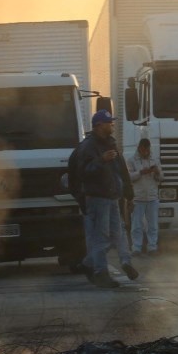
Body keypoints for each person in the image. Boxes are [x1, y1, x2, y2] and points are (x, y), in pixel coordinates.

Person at [76, 110, 138, 288]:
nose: (112, 124)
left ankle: (89, 264)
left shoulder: (111, 143)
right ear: (99, 125)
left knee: (116, 234)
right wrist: (100, 160)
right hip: (98, 198)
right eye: (109, 122)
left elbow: (121, 170)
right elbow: (83, 173)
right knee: (101, 237)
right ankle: (100, 273)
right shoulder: (88, 147)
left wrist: (128, 194)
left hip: (112, 197)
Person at [126, 138, 163, 257]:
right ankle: (136, 248)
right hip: (137, 197)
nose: (145, 152)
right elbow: (128, 177)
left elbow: (161, 178)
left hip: (152, 197)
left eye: (147, 150)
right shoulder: (131, 160)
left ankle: (152, 247)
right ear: (139, 148)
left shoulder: (154, 159)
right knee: (137, 225)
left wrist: (157, 172)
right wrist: (141, 173)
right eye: (143, 150)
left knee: (152, 224)